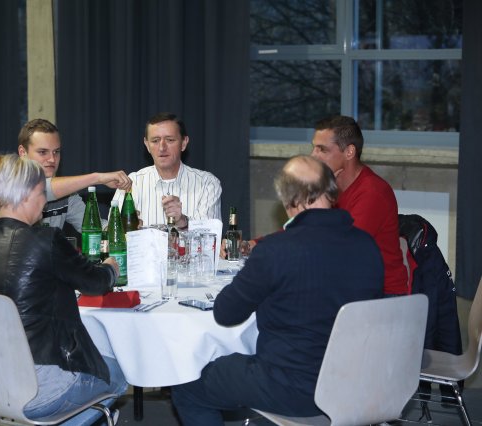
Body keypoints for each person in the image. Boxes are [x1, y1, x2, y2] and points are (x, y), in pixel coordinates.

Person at [171, 155, 384, 425]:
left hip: (293, 387)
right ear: (332, 192)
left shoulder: (276, 251)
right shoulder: (367, 246)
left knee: (187, 382)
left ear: (288, 200)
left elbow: (226, 312)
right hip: (356, 381)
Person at [0, 153, 128, 424]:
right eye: (42, 193)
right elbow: (95, 283)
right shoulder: (45, 240)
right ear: (26, 195)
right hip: (40, 386)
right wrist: (112, 267)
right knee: (118, 373)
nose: (45, 200)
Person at [311, 115, 408, 296]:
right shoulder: (328, 188)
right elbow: (301, 229)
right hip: (347, 286)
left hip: (382, 296)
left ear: (349, 152)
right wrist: (259, 243)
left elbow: (344, 250)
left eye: (322, 149)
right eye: (314, 148)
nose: (313, 156)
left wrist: (321, 204)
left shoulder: (373, 193)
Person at [18, 118, 132, 230]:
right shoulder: (12, 186)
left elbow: (95, 228)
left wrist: (125, 227)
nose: (52, 159)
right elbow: (41, 188)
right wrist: (98, 178)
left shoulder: (66, 194)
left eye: (56, 152)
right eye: (43, 152)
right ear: (23, 153)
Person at [112, 112, 222, 228]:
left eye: (170, 140)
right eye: (155, 141)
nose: (162, 148)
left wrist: (183, 221)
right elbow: (110, 230)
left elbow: (211, 233)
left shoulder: (207, 183)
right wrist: (126, 229)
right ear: (147, 145)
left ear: (184, 143)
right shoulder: (132, 183)